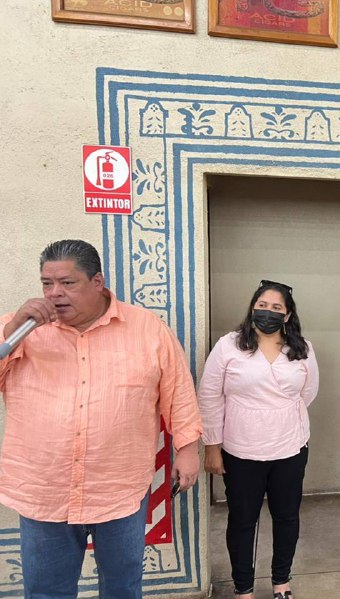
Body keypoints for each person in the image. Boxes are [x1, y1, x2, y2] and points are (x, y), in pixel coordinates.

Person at [0, 239, 202, 598]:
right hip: (45, 488)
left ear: (97, 282)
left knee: (122, 588)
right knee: (46, 591)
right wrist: (13, 330)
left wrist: (187, 449)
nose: (54, 293)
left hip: (118, 486)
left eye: (67, 282)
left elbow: (178, 390)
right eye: (47, 283)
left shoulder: (147, 329)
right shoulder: (20, 331)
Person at [198, 280, 319, 599]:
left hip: (290, 448)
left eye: (276, 307)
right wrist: (212, 446)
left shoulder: (302, 348)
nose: (268, 311)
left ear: (288, 315)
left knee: (287, 517)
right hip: (241, 451)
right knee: (242, 521)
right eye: (262, 305)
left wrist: (278, 415)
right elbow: (209, 395)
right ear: (253, 308)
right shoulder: (229, 345)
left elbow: (308, 392)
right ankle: (243, 588)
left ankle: (281, 582)